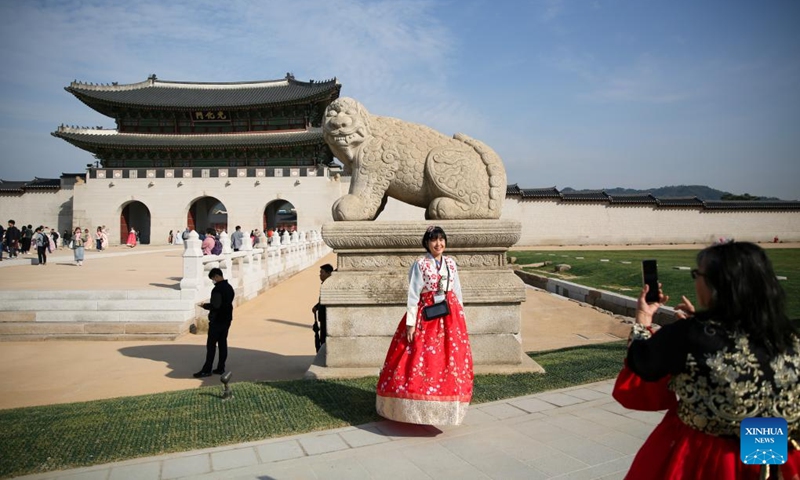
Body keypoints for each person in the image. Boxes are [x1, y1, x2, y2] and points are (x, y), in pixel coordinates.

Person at [613, 242, 800, 479]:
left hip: (706, 455)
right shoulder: (790, 338)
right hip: (772, 446)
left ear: (715, 284)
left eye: (697, 274)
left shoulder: (687, 335)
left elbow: (641, 365)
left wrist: (643, 320)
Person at [376, 226, 473, 425]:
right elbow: (413, 295)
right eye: (434, 240)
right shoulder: (420, 264)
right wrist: (410, 324)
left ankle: (446, 407)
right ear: (427, 243)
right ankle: (413, 407)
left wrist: (461, 317)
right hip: (426, 316)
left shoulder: (451, 264)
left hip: (450, 315)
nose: (439, 244)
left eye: (441, 239)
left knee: (448, 359)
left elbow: (457, 290)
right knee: (420, 356)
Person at [194, 268, 235, 377]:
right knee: (222, 344)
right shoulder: (229, 287)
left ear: (217, 276)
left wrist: (205, 306)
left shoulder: (217, 290)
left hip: (217, 320)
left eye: (213, 279)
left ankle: (207, 369)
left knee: (211, 346)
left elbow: (216, 306)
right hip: (227, 319)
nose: (213, 281)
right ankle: (221, 367)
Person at [312, 264, 334, 352]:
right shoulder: (325, 284)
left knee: (324, 340)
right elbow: (323, 300)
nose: (320, 275)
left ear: (328, 273)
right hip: (323, 317)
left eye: (322, 273)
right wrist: (317, 307)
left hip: (327, 318)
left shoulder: (330, 286)